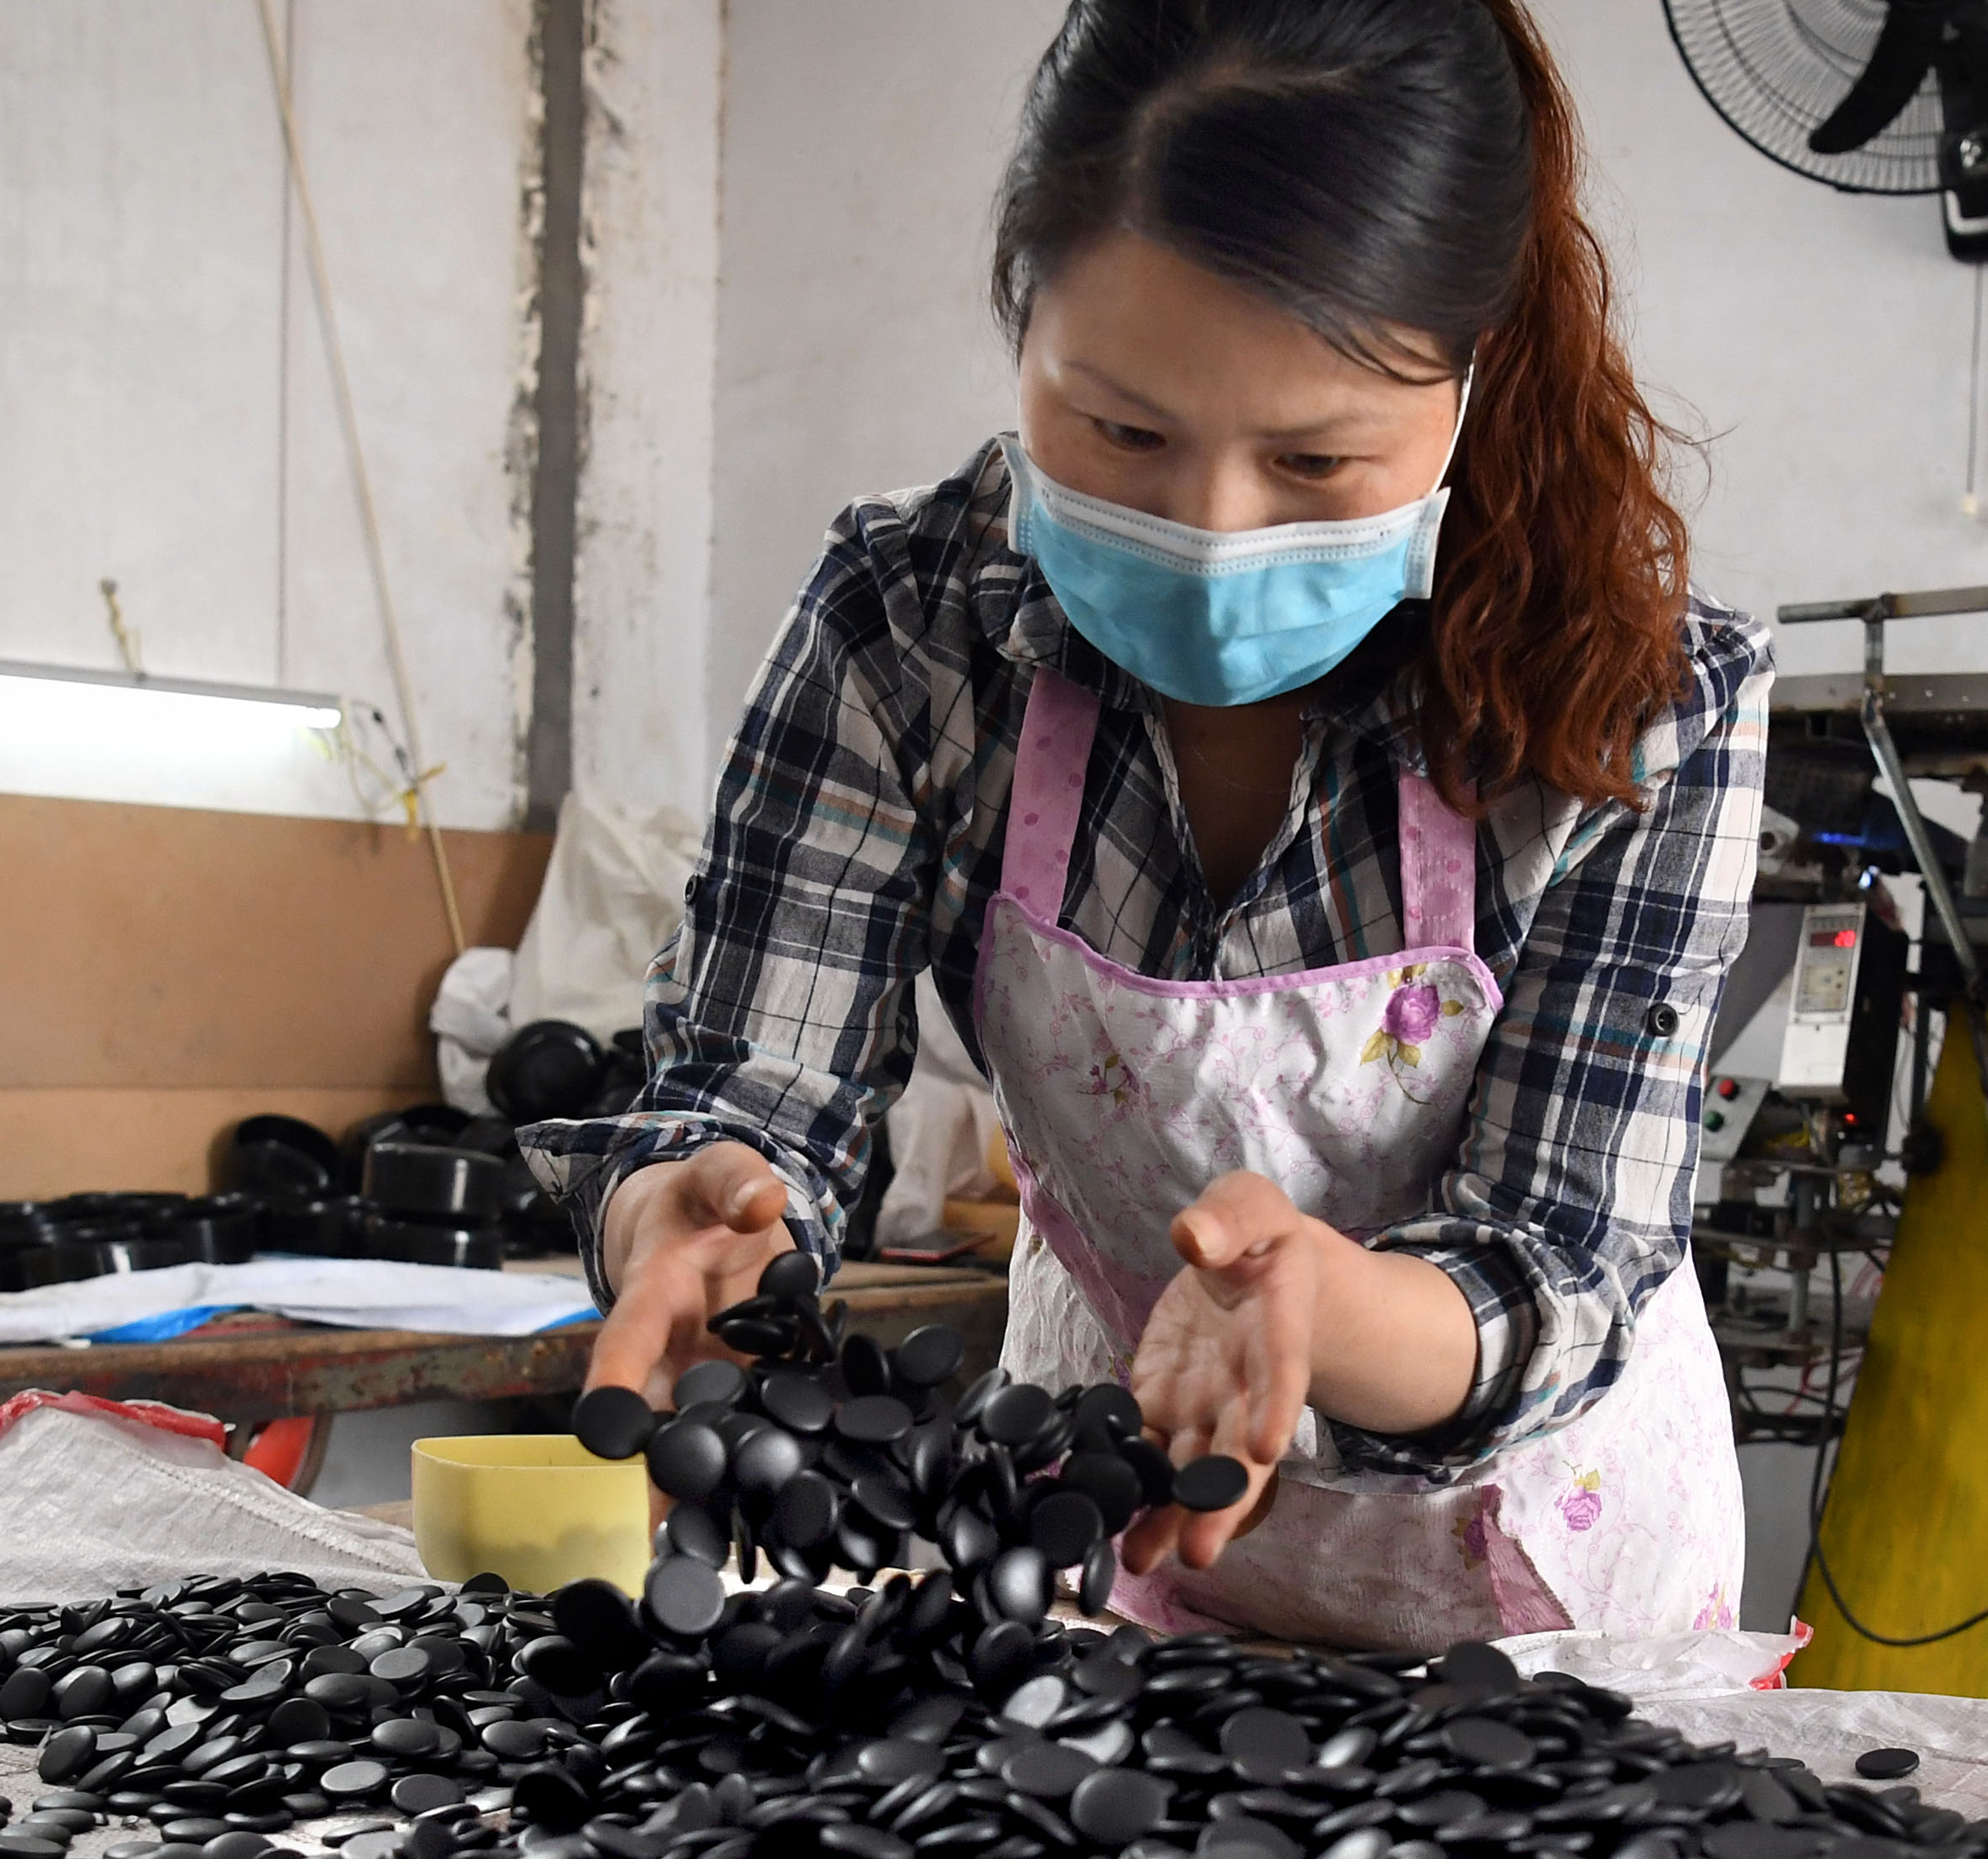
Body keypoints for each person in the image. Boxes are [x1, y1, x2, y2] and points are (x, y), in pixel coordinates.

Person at [534, 0, 1763, 1648]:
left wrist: (1326, 1307)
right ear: (1022, 321)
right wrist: (682, 1206)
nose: (1207, 531)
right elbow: (756, 1087)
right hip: (1113, 1527)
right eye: (1121, 431)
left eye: (1313, 461)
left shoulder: (1636, 697)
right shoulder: (911, 628)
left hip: (1532, 1572)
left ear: (1469, 379)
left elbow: (1560, 1253)